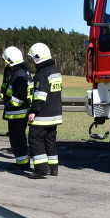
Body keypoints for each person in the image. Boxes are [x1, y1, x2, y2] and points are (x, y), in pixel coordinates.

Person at [26, 42, 63, 179]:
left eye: (33, 59)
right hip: (55, 115)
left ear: (37, 58)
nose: (32, 62)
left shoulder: (41, 74)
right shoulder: (56, 71)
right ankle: (53, 169)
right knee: (50, 141)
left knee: (34, 139)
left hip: (43, 115)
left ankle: (41, 170)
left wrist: (33, 111)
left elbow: (40, 96)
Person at [0, 46, 30, 171]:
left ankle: (22, 164)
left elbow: (19, 97)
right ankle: (21, 162)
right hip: (17, 113)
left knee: (18, 139)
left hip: (17, 114)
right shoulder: (21, 72)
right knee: (18, 138)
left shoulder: (18, 75)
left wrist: (9, 105)